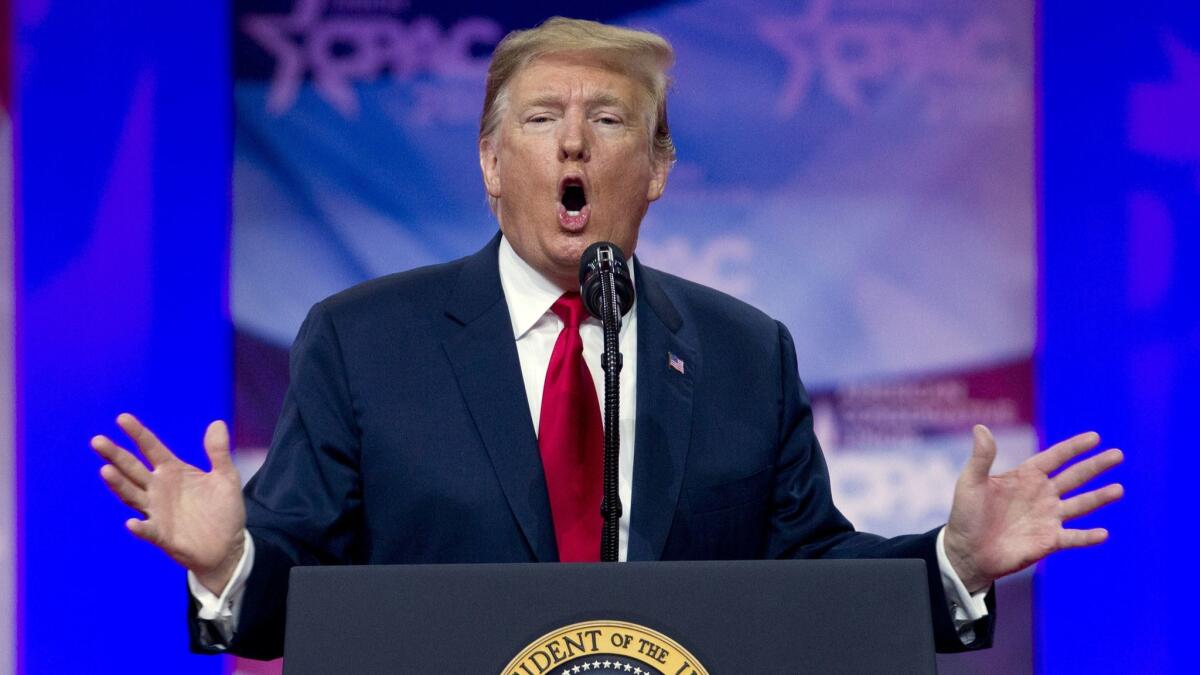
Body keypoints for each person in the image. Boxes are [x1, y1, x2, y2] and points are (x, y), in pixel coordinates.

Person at [90, 17, 1123, 660]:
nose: (574, 140)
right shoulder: (366, 342)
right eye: (540, 119)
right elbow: (292, 593)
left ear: (660, 168)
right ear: (491, 166)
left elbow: (812, 575)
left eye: (608, 120)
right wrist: (230, 560)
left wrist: (955, 563)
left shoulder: (742, 351)